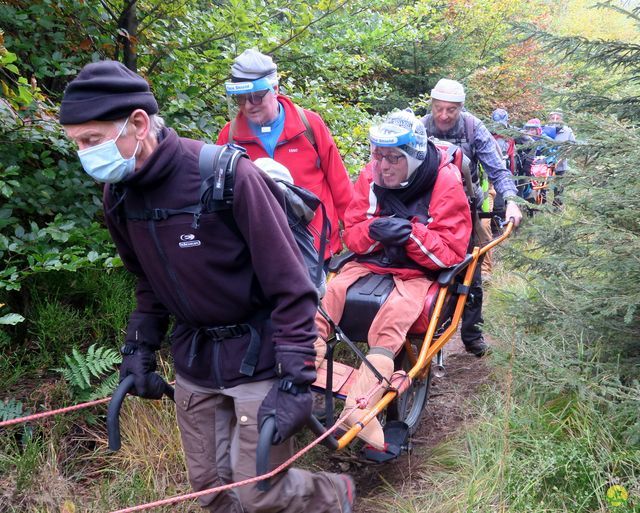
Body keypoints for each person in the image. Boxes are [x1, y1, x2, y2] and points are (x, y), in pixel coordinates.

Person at [59, 60, 354, 513]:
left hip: (260, 355)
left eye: (91, 140)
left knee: (259, 492)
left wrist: (297, 378)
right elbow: (148, 282)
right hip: (195, 357)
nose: (84, 154)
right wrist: (138, 349)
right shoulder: (117, 195)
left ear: (138, 124)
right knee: (210, 489)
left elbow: (292, 285)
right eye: (76, 143)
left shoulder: (226, 175)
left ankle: (336, 494)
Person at [314, 109, 472, 449]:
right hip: (371, 262)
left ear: (412, 158)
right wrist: (374, 230)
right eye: (378, 156)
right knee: (330, 295)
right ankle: (300, 374)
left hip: (417, 272)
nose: (382, 166)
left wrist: (410, 235)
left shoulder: (444, 182)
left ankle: (360, 408)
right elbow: (353, 235)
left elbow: (451, 252)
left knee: (395, 314)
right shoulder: (370, 178)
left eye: (392, 159)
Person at [217, 49, 353, 262]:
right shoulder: (231, 135)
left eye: (256, 96)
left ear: (275, 89)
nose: (248, 106)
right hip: (263, 249)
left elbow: (340, 183)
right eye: (240, 99)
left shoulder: (308, 124)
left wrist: (354, 234)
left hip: (318, 245)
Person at [421, 79, 522, 357]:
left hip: (465, 212)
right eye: (439, 108)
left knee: (471, 274)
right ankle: (427, 332)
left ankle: (472, 336)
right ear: (432, 105)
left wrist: (511, 201)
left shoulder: (473, 128)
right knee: (427, 272)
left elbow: (497, 169)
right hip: (427, 211)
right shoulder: (420, 128)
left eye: (451, 110)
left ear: (460, 108)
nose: (443, 115)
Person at [547, 109, 575, 207]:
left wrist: (564, 154)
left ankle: (557, 206)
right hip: (546, 164)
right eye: (552, 118)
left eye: (557, 118)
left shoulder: (567, 131)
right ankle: (541, 205)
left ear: (561, 119)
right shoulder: (546, 129)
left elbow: (572, 145)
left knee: (559, 186)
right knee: (543, 185)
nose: (554, 120)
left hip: (561, 164)